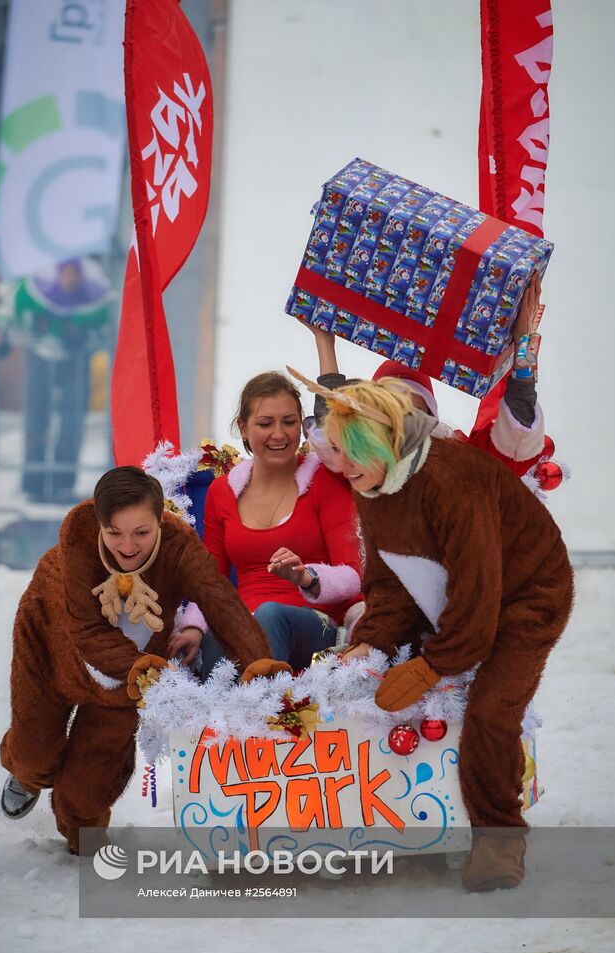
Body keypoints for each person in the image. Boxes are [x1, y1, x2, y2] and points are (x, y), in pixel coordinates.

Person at [303, 373, 573, 890]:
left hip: (527, 594)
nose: (341, 464)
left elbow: (478, 596)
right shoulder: (372, 479)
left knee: (493, 708)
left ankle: (500, 839)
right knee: (383, 682)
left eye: (348, 452)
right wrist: (371, 641)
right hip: (455, 590)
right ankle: (412, 829)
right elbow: (389, 577)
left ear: (379, 441)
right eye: (335, 451)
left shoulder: (454, 482)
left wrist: (432, 665)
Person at [0, 466, 287, 854]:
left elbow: (222, 604)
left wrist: (258, 663)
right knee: (35, 749)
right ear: (99, 524)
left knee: (90, 785)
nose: (128, 545)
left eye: (141, 532)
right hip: (52, 645)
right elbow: (86, 633)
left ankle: (81, 821)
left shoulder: (179, 546)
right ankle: (26, 775)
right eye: (114, 532)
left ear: (160, 522)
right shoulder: (79, 544)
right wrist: (140, 667)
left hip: (130, 673)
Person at [169, 372, 363, 678]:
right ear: (243, 429)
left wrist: (307, 577)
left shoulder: (324, 480)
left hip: (315, 627)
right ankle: (217, 722)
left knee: (269, 616)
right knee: (222, 633)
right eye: (265, 423)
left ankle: (259, 714)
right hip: (243, 623)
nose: (279, 434)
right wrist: (193, 627)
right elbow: (210, 581)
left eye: (289, 422)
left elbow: (353, 574)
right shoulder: (221, 493)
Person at [303, 274, 547, 478]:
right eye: (393, 408)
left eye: (413, 412)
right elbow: (332, 433)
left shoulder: (460, 465)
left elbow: (514, 440)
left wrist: (521, 343)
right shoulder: (360, 465)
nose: (404, 420)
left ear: (431, 419)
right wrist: (324, 341)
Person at [13, 257, 114, 503]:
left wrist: (82, 336)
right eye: (66, 273)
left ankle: (63, 482)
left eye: (74, 274)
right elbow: (20, 314)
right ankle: (33, 482)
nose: (70, 278)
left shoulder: (94, 292)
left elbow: (103, 323)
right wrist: (38, 328)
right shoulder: (39, 288)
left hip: (75, 360)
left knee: (72, 422)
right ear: (58, 273)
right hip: (40, 357)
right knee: (36, 418)